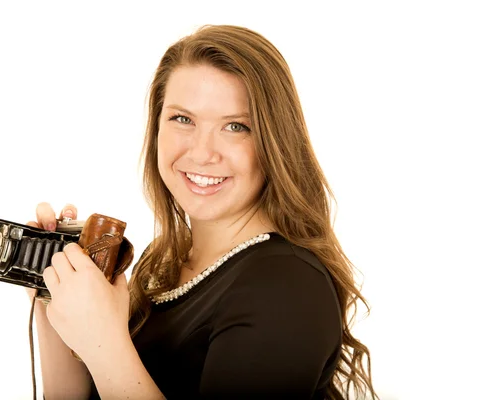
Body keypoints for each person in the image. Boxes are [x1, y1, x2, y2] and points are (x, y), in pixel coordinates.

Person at [27, 24, 379, 399]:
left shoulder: (287, 286)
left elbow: (110, 361)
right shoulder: (162, 263)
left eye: (235, 126)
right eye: (183, 119)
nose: (201, 152)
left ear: (274, 142)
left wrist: (104, 341)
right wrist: (53, 299)